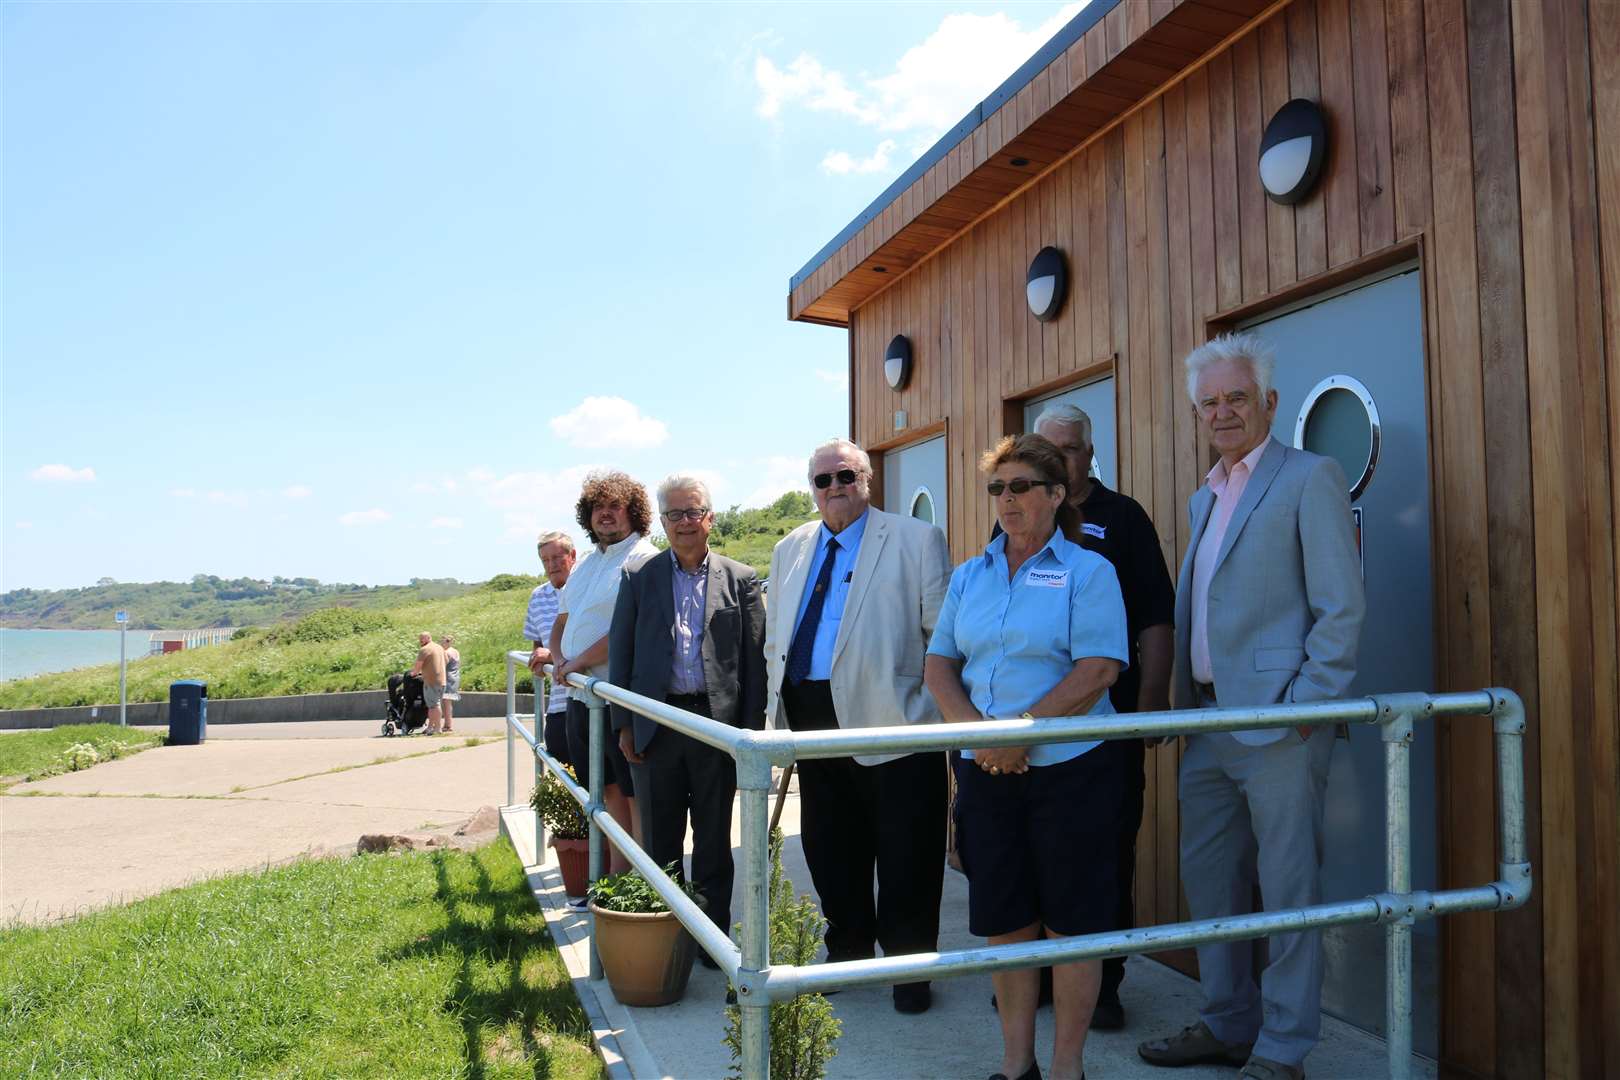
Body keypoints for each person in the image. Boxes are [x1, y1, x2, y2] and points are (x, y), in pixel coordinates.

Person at [1138, 333, 1365, 1080]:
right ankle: (1230, 1023)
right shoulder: (1206, 494)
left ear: (1269, 401)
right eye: (1210, 402)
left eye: (1237, 397)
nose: (1223, 412)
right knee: (1212, 888)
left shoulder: (1310, 476)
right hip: (1204, 724)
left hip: (1278, 727)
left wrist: (1306, 710)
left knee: (1290, 893)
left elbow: (1340, 606)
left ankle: (1283, 1047)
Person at [927, 433, 1129, 1080]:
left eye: (1020, 486)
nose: (1006, 500)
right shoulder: (969, 575)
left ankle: (1068, 1067)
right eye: (997, 488)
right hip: (988, 772)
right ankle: (1017, 1066)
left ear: (1057, 494)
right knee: (1006, 919)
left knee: (1073, 925)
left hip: (1074, 774)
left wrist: (1020, 731)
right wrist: (985, 740)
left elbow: (1098, 669)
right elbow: (939, 666)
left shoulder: (1090, 571)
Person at [763, 437, 952, 1015]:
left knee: (908, 854)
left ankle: (909, 968)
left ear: (867, 480)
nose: (835, 487)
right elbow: (777, 635)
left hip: (895, 722)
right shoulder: (790, 547)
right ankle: (846, 949)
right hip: (815, 723)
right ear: (811, 489)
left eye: (846, 475)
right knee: (830, 847)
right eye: (823, 480)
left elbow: (941, 637)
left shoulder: (916, 539)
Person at [1009, 402, 1175, 1030]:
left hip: (1105, 722)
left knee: (1103, 855)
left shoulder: (1123, 517)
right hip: (1031, 727)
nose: (1060, 459)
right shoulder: (1018, 519)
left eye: (1071, 448)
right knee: (1033, 854)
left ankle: (1103, 984)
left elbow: (1158, 615)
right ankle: (1039, 982)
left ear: (1089, 452)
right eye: (1046, 449)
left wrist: (1151, 703)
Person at [608, 473, 766, 966]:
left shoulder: (740, 579)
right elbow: (622, 655)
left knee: (716, 840)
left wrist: (749, 738)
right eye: (674, 514)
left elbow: (754, 663)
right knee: (660, 841)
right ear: (662, 521)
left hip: (716, 729)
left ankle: (711, 943)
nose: (684, 522)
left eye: (693, 511)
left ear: (710, 518)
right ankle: (667, 940)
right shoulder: (639, 578)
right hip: (658, 724)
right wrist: (624, 724)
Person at [548, 470, 659, 877]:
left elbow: (625, 631)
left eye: (615, 507)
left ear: (634, 513)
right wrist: (561, 658)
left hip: (617, 694)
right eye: (598, 508)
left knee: (632, 792)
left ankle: (641, 881)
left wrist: (577, 663)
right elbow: (563, 619)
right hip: (581, 694)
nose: (605, 515)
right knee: (606, 788)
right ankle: (615, 874)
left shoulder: (643, 558)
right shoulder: (587, 564)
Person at [524, 530, 578, 765]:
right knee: (562, 768)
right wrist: (538, 660)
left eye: (557, 557)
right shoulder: (538, 597)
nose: (552, 565)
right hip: (557, 704)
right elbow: (537, 644)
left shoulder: (586, 589)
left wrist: (552, 655)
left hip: (589, 701)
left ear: (572, 555)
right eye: (545, 560)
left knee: (601, 784)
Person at [408, 631, 448, 735]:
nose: (420, 641)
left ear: (429, 638)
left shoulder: (424, 649)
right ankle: (430, 727)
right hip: (442, 680)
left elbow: (417, 667)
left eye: (422, 639)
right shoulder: (439, 648)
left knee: (435, 705)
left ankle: (438, 728)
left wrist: (413, 674)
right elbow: (446, 661)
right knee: (431, 706)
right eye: (420, 639)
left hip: (431, 681)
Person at [439, 635, 460, 733]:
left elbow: (442, 666)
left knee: (445, 702)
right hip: (455, 677)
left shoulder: (446, 653)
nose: (441, 643)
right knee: (448, 702)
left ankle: (448, 725)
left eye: (442, 641)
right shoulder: (455, 651)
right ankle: (448, 724)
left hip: (447, 678)